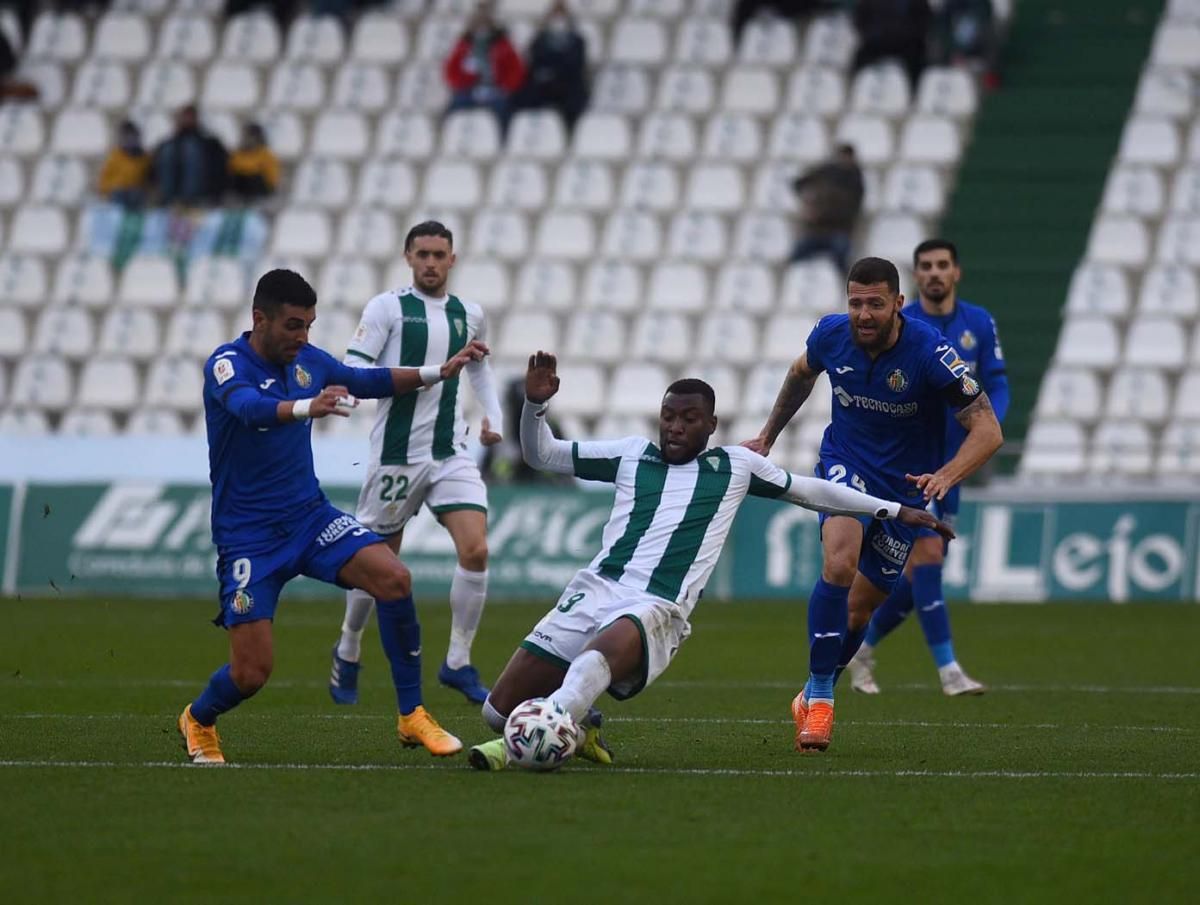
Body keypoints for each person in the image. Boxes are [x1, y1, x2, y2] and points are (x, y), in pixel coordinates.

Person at [467, 352, 955, 770]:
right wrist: (534, 406)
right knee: (498, 709)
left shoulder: (733, 467)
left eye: (689, 418)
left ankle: (523, 745)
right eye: (669, 416)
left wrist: (893, 509)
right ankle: (582, 723)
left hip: (656, 606)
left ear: (711, 425)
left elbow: (811, 491)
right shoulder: (631, 455)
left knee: (594, 659)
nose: (676, 427)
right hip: (593, 589)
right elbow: (541, 455)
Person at [177, 268, 488, 764]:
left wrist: (437, 372)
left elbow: (366, 379)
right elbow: (249, 408)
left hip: (309, 518)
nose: (303, 338)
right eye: (293, 326)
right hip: (249, 539)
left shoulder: (308, 362)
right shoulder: (226, 364)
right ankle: (198, 718)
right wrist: (305, 408)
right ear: (260, 319)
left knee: (394, 579)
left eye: (309, 326)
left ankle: (412, 715)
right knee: (251, 674)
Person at [744, 256, 1002, 752]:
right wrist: (768, 435)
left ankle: (814, 688)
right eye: (855, 302)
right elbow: (800, 374)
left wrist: (946, 475)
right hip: (845, 464)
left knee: (860, 611)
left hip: (904, 488)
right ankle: (821, 702)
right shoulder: (830, 335)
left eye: (875, 304)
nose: (863, 314)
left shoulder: (931, 352)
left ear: (898, 305)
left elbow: (988, 429)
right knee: (839, 563)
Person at [329, 221, 504, 708]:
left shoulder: (470, 314)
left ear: (453, 259)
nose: (430, 262)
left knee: (476, 551)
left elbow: (480, 367)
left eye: (439, 254)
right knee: (379, 566)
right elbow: (356, 369)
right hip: (396, 458)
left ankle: (457, 662)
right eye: (422, 253)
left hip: (451, 454)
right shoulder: (387, 308)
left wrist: (494, 416)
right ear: (408, 257)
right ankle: (348, 646)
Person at [846, 240, 1009, 695]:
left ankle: (862, 644)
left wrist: (984, 425)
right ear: (915, 279)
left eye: (942, 265)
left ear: (956, 272)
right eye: (925, 267)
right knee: (930, 558)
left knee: (918, 575)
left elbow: (996, 384)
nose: (934, 273)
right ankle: (949, 671)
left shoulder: (979, 322)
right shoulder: (903, 325)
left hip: (957, 461)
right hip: (915, 463)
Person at [508, 0, 589, 135]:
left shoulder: (578, 40)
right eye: (555, 16)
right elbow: (535, 62)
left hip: (568, 84)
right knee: (523, 94)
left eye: (561, 16)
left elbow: (575, 65)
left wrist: (555, 69)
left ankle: (567, 134)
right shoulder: (540, 39)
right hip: (544, 84)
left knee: (574, 98)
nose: (558, 20)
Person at [443, 1, 525, 133]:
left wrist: (504, 87)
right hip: (470, 91)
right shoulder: (463, 46)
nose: (482, 26)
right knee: (456, 106)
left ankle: (501, 139)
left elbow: (516, 70)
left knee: (503, 107)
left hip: (497, 90)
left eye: (485, 22)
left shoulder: (504, 45)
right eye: (478, 22)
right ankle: (453, 135)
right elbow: (450, 72)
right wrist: (466, 78)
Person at [789, 144, 864, 276]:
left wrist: (820, 214)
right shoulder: (826, 171)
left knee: (841, 256)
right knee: (796, 256)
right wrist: (807, 202)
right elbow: (799, 183)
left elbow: (850, 211)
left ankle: (844, 284)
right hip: (816, 231)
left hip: (838, 230)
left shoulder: (855, 180)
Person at [152, 104, 228, 207]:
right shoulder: (169, 144)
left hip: (202, 191)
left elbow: (219, 165)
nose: (187, 120)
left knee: (190, 148)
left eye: (190, 117)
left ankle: (189, 198)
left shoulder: (209, 142)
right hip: (172, 191)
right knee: (168, 151)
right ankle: (168, 197)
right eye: (185, 117)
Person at [852, 0, 932, 90]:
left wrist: (904, 35)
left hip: (907, 45)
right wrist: (875, 35)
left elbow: (924, 23)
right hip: (876, 44)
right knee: (860, 58)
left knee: (918, 58)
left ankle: (914, 95)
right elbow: (860, 20)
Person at [97, 120, 151, 209]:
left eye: (132, 137)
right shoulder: (115, 156)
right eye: (126, 138)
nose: (130, 141)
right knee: (119, 195)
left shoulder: (144, 158)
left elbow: (148, 179)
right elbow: (104, 180)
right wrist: (110, 189)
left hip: (137, 193)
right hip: (118, 193)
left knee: (136, 195)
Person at [227, 122, 280, 203]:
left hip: (260, 197)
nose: (247, 139)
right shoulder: (237, 155)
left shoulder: (266, 155)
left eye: (250, 136)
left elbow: (271, 181)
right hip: (239, 197)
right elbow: (231, 172)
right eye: (245, 136)